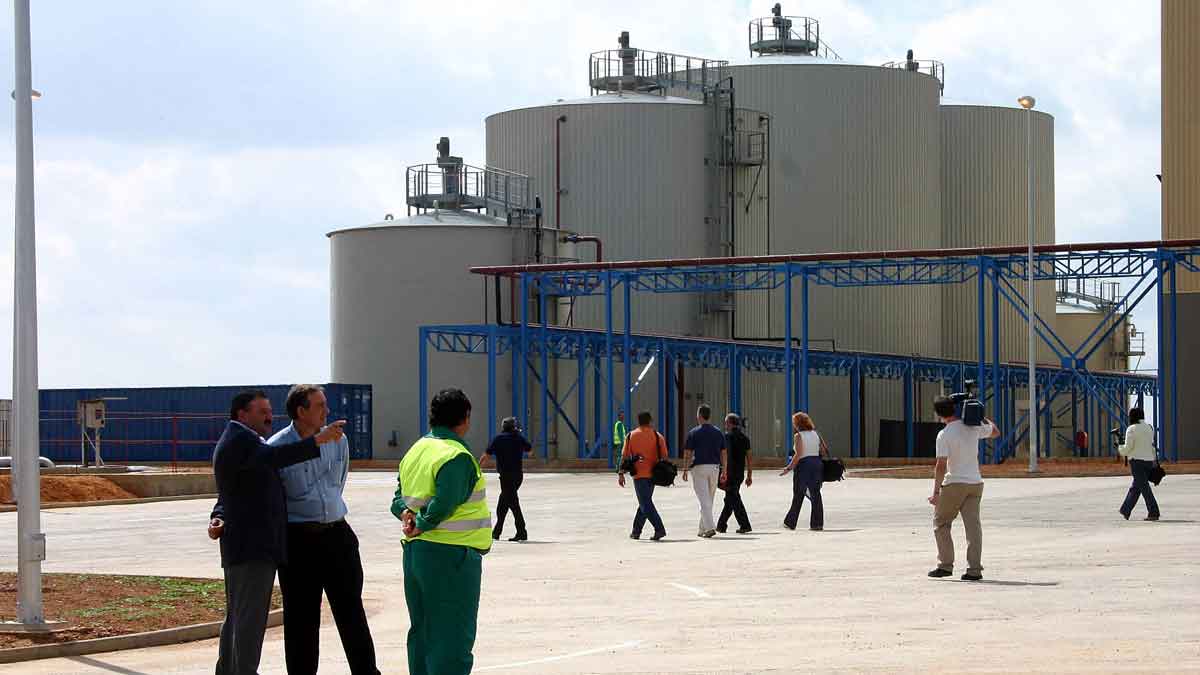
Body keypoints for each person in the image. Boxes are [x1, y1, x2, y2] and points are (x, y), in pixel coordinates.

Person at [209, 390, 346, 675]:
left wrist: (218, 515)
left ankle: (230, 670)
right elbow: (275, 456)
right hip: (253, 547)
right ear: (242, 415)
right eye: (261, 411)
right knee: (249, 620)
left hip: (247, 545)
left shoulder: (245, 442)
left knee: (238, 616)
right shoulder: (241, 441)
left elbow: (233, 492)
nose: (269, 416)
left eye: (270, 410)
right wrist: (316, 441)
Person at [270, 384, 378, 675]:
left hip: (337, 536)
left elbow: (337, 482)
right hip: (299, 542)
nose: (327, 412)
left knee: (351, 613)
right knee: (302, 620)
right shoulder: (277, 447)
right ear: (300, 411)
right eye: (319, 406)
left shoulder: (337, 441)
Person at [391, 388, 492, 675]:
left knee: (423, 631)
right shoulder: (456, 455)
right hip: (451, 557)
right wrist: (421, 522)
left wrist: (408, 518)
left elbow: (398, 499)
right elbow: (445, 503)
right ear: (465, 418)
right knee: (452, 637)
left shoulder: (416, 450)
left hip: (415, 555)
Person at [926, 395, 1000, 581]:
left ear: (939, 414)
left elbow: (941, 465)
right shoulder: (973, 428)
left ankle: (945, 565)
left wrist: (936, 492)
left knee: (941, 523)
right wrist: (979, 414)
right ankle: (974, 569)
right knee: (973, 527)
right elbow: (996, 432)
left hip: (955, 483)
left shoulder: (944, 434)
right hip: (975, 483)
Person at [617, 410, 669, 541]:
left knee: (645, 503)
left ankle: (659, 529)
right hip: (654, 475)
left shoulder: (631, 436)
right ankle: (636, 531)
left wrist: (621, 473)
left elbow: (624, 456)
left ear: (638, 421)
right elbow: (665, 456)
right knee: (645, 502)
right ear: (650, 421)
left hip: (639, 474)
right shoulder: (658, 436)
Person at [481, 416, 532, 541]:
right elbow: (530, 452)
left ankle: (522, 532)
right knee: (503, 504)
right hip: (518, 477)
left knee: (513, 504)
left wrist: (477, 467)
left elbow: (486, 455)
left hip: (506, 477)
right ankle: (496, 532)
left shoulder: (498, 439)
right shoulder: (519, 438)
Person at [682, 404, 728, 538]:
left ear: (699, 416)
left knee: (704, 499)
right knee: (709, 499)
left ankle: (709, 528)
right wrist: (724, 470)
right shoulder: (718, 432)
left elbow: (688, 453)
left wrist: (685, 468)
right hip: (714, 468)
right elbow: (724, 453)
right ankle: (702, 528)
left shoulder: (693, 432)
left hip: (699, 468)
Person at [780, 411, 827, 532]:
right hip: (816, 464)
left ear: (798, 423)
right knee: (816, 494)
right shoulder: (815, 434)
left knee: (798, 494)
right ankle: (817, 524)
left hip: (804, 466)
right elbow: (823, 450)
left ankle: (790, 522)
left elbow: (798, 454)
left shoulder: (798, 436)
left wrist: (789, 468)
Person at [1118, 407, 1160, 521]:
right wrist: (1155, 462)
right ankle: (1125, 510)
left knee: (1144, 488)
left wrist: (1120, 447)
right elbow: (1152, 446)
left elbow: (1128, 448)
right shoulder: (1149, 428)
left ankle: (1154, 512)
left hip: (1136, 462)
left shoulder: (1131, 429)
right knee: (1136, 487)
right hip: (1149, 461)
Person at [717, 413, 753, 534]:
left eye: (726, 422)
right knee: (730, 499)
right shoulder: (745, 438)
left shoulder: (727, 437)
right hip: (739, 474)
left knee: (734, 499)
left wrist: (723, 471)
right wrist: (749, 476)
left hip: (730, 473)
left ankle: (745, 524)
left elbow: (726, 455)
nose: (725, 425)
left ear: (730, 423)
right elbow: (749, 458)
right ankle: (721, 525)